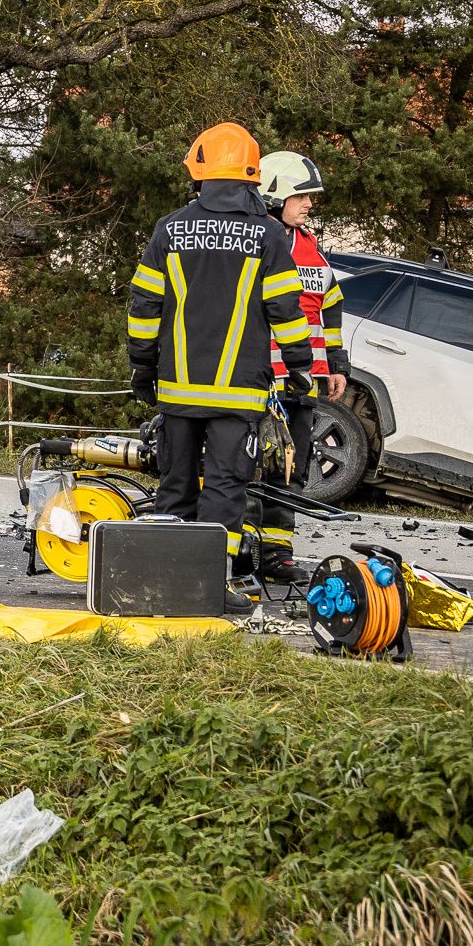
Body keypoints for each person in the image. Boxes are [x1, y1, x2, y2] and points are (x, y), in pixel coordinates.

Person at [125, 123, 315, 613]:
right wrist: (299, 368)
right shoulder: (270, 235)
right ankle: (211, 587)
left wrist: (142, 370)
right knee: (226, 490)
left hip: (178, 391)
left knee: (175, 487)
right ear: (253, 178)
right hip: (238, 395)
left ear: (200, 174)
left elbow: (144, 306)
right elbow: (286, 312)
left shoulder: (169, 230)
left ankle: (164, 585)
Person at [251, 150, 351, 581]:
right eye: (301, 196)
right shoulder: (260, 239)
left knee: (292, 469)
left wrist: (336, 364)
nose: (309, 204)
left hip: (302, 381)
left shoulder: (309, 245)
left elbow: (329, 306)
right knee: (252, 467)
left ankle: (277, 556)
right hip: (262, 380)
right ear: (273, 195)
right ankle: (239, 553)